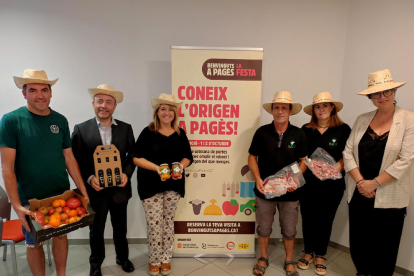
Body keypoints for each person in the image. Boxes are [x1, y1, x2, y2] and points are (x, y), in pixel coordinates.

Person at [0, 69, 89, 276]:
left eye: (44, 90)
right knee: (35, 243)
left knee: (60, 236)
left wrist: (82, 190)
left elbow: (69, 157)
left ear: (51, 93)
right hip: (29, 200)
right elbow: (7, 168)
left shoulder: (60, 120)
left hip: (61, 194)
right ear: (24, 94)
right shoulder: (11, 120)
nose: (39, 95)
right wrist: (16, 206)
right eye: (32, 90)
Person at [343, 69, 414, 276]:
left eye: (387, 92)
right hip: (359, 192)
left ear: (394, 91)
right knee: (359, 241)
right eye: (376, 93)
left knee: (386, 246)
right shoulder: (361, 119)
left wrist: (374, 183)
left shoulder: (409, 120)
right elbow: (348, 152)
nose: (382, 97)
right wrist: (361, 183)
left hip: (389, 195)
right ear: (370, 97)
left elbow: (406, 159)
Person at [71, 84, 136, 276]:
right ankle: (95, 264)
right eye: (100, 101)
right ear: (93, 104)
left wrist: (126, 173)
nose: (104, 106)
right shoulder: (81, 129)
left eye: (108, 102)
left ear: (114, 106)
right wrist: (90, 178)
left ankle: (122, 258)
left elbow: (131, 157)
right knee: (96, 230)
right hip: (95, 191)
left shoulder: (125, 129)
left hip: (119, 190)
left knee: (120, 228)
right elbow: (77, 161)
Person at [133, 93, 193, 276]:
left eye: (170, 109)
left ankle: (166, 258)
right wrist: (156, 168)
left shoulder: (180, 133)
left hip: (174, 184)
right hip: (150, 185)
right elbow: (136, 158)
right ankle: (154, 259)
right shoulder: (147, 132)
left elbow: (188, 157)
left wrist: (180, 167)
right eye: (163, 109)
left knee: (168, 223)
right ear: (157, 112)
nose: (167, 112)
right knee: (154, 224)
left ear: (175, 113)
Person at [249, 91, 307, 276]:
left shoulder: (299, 134)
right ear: (272, 111)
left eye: (284, 107)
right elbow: (252, 157)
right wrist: (258, 179)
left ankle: (289, 261)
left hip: (290, 192)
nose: (280, 111)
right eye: (276, 108)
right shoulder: (262, 132)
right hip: (265, 191)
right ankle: (263, 258)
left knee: (289, 229)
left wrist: (295, 180)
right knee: (264, 227)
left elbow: (303, 160)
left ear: (290, 111)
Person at [297, 92, 351, 275]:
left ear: (332, 107)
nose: (322, 109)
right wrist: (294, 178)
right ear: (313, 110)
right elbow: (302, 158)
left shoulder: (343, 129)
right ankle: (307, 252)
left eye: (325, 105)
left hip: (332, 185)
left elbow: (348, 156)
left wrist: (335, 168)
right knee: (308, 218)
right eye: (318, 106)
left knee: (325, 219)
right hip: (309, 185)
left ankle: (320, 254)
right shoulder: (305, 129)